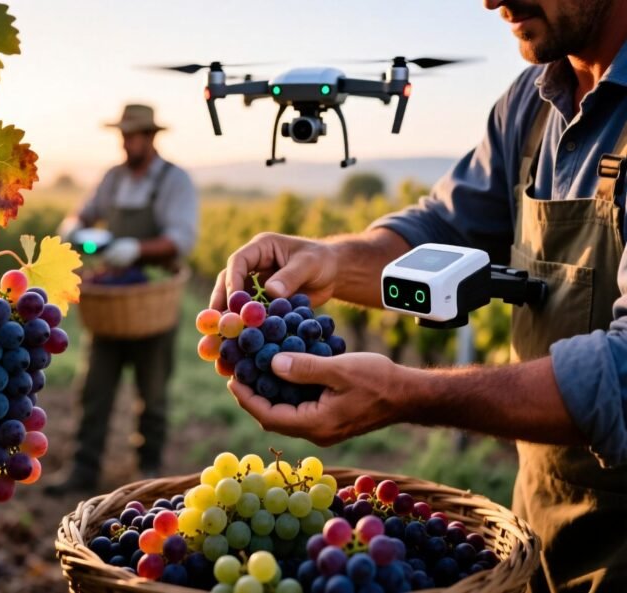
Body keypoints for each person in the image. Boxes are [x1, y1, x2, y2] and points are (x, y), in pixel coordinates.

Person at [211, 2, 627, 591]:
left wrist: (407, 394)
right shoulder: (531, 102)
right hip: (541, 534)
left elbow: (624, 372)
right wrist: (330, 259)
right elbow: (445, 228)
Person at [46, 104, 198, 495]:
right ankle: (83, 469)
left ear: (150, 137)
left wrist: (136, 250)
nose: (126, 143)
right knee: (93, 390)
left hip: (152, 302)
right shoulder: (113, 179)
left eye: (133, 136)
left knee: (154, 394)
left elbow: (181, 239)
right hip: (113, 305)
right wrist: (76, 229)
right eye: (123, 136)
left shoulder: (172, 181)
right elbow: (84, 214)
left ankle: (149, 473)